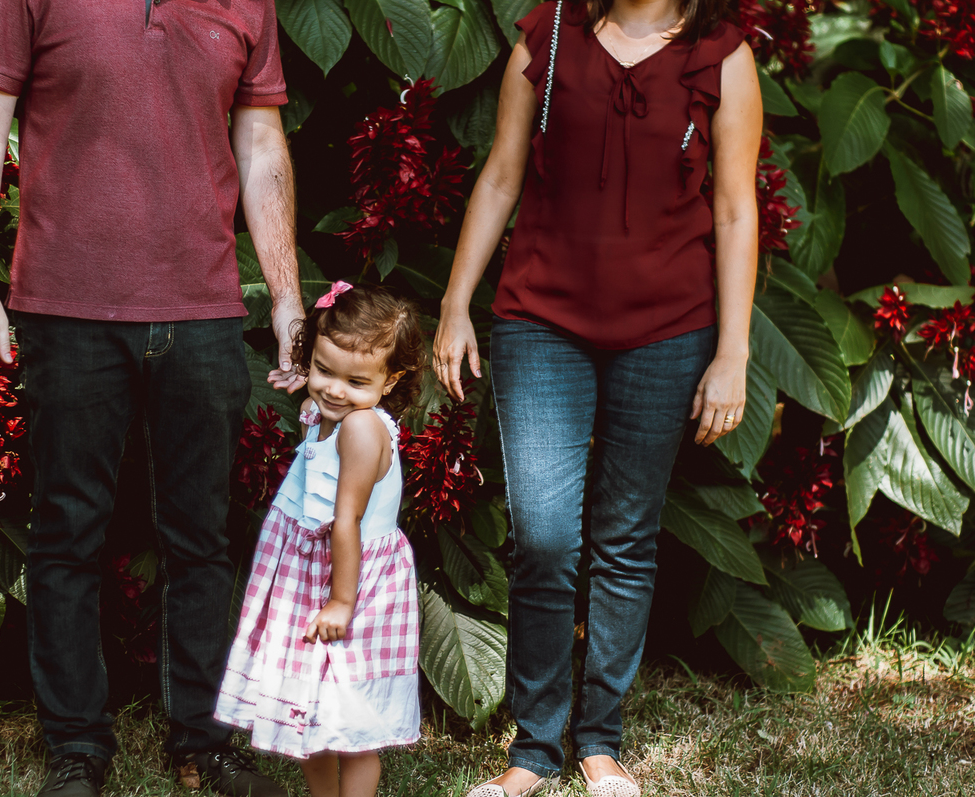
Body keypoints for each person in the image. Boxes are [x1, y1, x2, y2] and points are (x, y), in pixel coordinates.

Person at [0, 1, 304, 796]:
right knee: (67, 531)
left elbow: (259, 142)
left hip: (204, 308)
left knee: (202, 536)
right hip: (66, 306)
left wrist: (285, 293)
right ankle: (77, 748)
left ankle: (206, 743)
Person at [433, 0, 762, 794]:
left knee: (625, 539)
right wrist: (454, 305)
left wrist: (733, 351)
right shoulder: (547, 36)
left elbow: (733, 207)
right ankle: (532, 749)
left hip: (670, 328)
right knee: (544, 538)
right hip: (540, 319)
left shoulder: (724, 54)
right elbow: (503, 173)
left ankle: (598, 742)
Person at [215, 282, 426, 797]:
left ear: (391, 378)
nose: (333, 389)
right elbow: (322, 405)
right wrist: (307, 379)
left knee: (352, 725)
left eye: (355, 380)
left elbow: (346, 520)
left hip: (349, 584)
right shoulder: (333, 412)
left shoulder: (360, 431)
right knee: (309, 722)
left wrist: (341, 601)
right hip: (313, 572)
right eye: (323, 370)